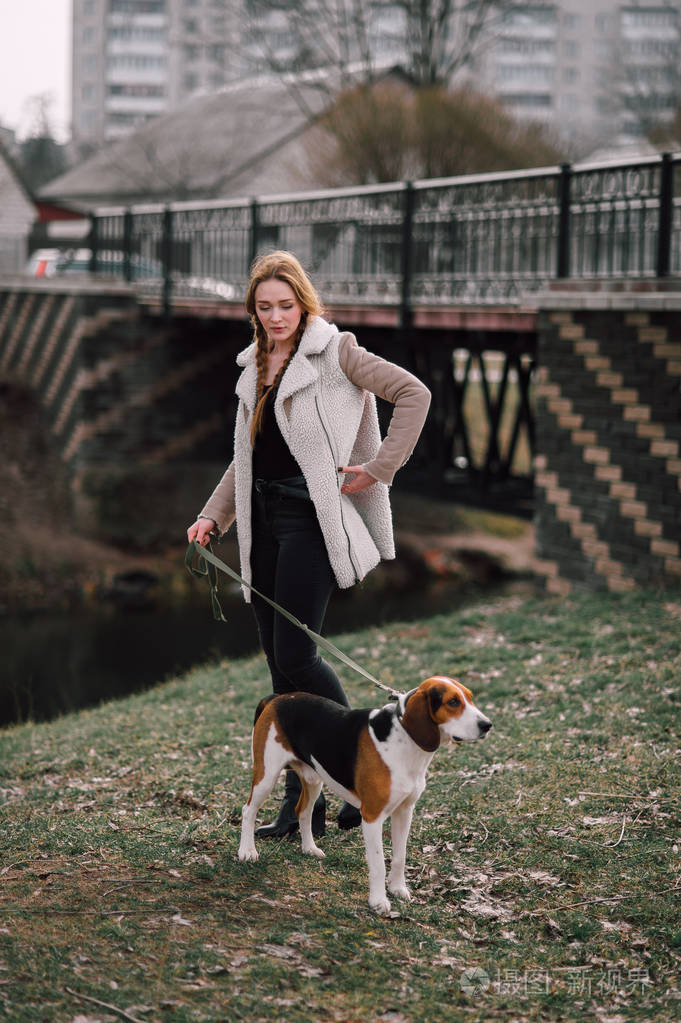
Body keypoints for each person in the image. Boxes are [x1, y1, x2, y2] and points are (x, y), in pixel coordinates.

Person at [187, 250, 431, 839]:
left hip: (312, 520)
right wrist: (212, 517)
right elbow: (244, 460)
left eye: (285, 305)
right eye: (265, 307)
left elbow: (414, 393)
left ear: (304, 303)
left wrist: (379, 467)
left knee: (298, 656)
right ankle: (305, 810)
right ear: (253, 310)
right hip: (263, 521)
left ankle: (360, 772)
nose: (276, 317)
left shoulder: (337, 352)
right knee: (280, 670)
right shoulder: (254, 366)